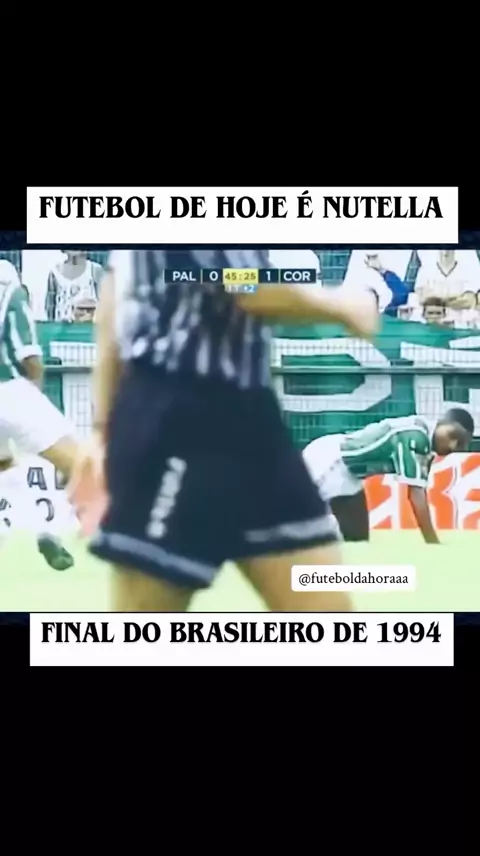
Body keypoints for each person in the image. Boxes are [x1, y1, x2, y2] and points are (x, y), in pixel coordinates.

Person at [72, 250, 378, 613]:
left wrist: (101, 428)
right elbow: (241, 284)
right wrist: (342, 305)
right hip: (178, 421)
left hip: (252, 422)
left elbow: (113, 300)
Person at [0, 260, 80, 570]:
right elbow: (28, 354)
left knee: (4, 465)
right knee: (79, 463)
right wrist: (35, 395)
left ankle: (15, 525)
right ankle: (50, 530)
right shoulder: (9, 285)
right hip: (11, 390)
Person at [302, 409, 474, 545]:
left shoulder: (424, 440)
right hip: (331, 460)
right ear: (441, 422)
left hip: (349, 472)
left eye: (460, 444)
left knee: (358, 542)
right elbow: (416, 495)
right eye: (453, 436)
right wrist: (433, 543)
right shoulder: (416, 436)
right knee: (296, 526)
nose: (453, 445)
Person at [45, 251, 103, 321]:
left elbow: (104, 306)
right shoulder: (54, 273)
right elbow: (50, 311)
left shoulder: (94, 270)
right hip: (61, 327)